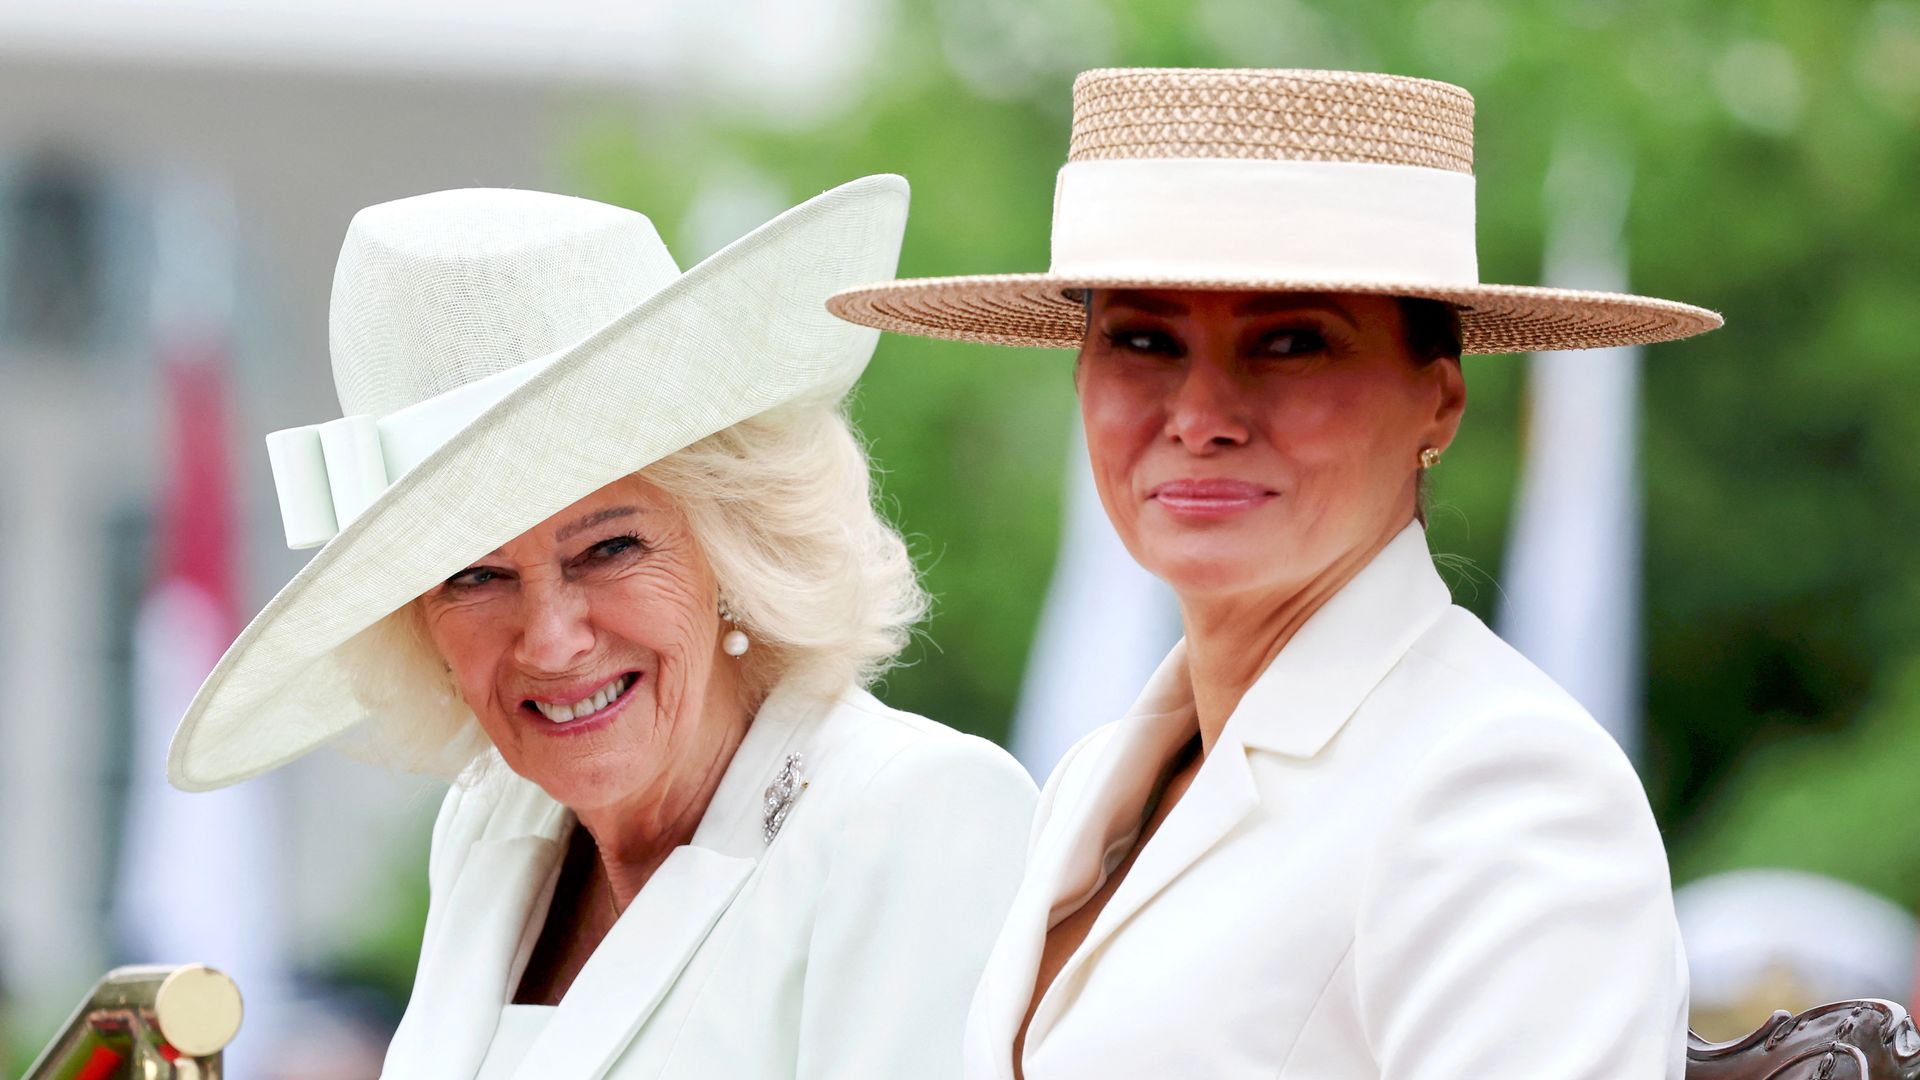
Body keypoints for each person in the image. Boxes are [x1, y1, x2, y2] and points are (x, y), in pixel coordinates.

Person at [828, 68, 1722, 1078]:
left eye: (1292, 342)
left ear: (1438, 399)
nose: (1201, 415)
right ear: (1080, 376)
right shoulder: (1094, 779)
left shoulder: (1506, 784)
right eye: (1143, 340)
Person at [168, 176, 1036, 1079]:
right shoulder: (491, 822)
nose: (550, 641)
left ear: (733, 540)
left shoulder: (915, 812)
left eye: (608, 549)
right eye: (476, 576)